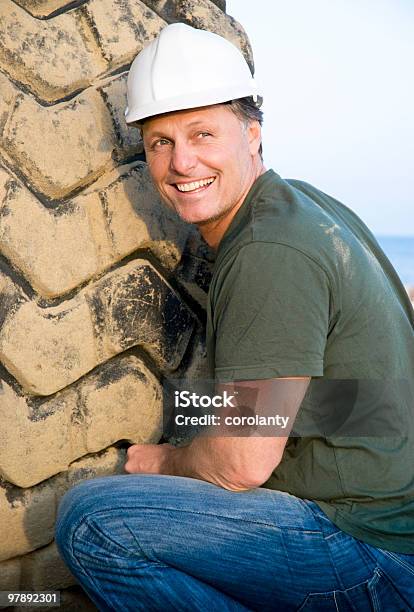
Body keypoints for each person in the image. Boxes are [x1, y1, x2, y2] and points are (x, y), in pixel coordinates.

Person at [55, 23, 414, 611]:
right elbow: (341, 396)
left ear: (252, 134)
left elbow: (244, 464)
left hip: (369, 548)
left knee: (93, 519)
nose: (181, 161)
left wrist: (162, 463)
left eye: (202, 133)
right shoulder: (303, 206)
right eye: (160, 142)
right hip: (382, 517)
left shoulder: (268, 250)